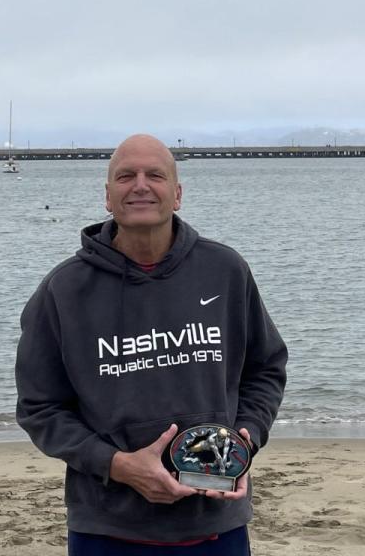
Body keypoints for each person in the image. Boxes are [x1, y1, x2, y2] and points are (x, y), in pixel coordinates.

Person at [15, 134, 287, 554]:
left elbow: (265, 367)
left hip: (216, 519)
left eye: (155, 175)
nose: (140, 185)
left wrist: (244, 440)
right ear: (108, 197)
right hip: (107, 526)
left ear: (177, 194)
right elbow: (40, 408)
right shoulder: (63, 290)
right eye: (126, 176)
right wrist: (119, 466)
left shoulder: (225, 271)